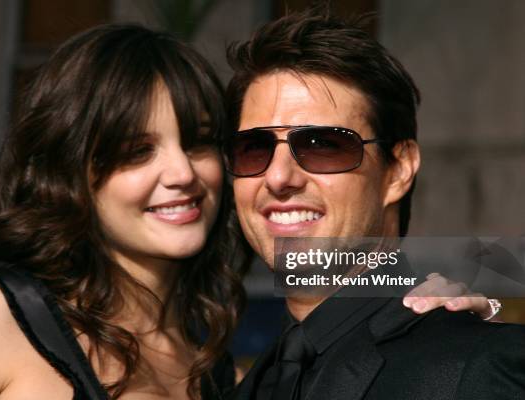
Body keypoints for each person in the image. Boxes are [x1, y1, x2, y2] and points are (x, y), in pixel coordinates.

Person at [0, 22, 502, 400]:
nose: (181, 173)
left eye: (198, 142)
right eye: (136, 151)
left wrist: (423, 311)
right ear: (74, 172)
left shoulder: (215, 366)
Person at [222, 7, 525, 400]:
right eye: (253, 149)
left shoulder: (478, 368)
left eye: (323, 146)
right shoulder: (245, 387)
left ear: (398, 169)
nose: (279, 177)